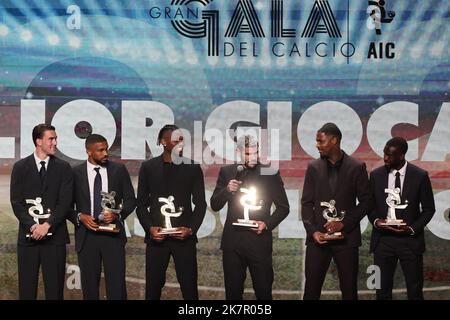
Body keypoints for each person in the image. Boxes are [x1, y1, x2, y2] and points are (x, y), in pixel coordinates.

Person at [210, 135, 290, 300]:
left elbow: (284, 208)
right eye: (248, 153)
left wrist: (266, 224)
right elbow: (215, 205)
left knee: (263, 294)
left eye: (256, 153)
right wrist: (227, 190)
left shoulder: (270, 173)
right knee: (233, 295)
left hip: (259, 243)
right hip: (233, 243)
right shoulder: (227, 172)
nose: (253, 157)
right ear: (238, 151)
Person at [301, 123, 371, 300]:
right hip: (318, 240)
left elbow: (366, 202)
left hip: (347, 240)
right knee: (311, 291)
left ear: (334, 140)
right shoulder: (313, 167)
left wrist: (344, 224)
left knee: (349, 291)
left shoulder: (357, 166)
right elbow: (307, 203)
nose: (317, 145)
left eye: (321, 141)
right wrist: (314, 231)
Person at [136, 124, 206, 300]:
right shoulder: (148, 167)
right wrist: (150, 229)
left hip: (184, 240)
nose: (181, 143)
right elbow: (141, 205)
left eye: (182, 139)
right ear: (163, 142)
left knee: (189, 287)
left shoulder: (192, 167)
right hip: (157, 239)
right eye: (176, 140)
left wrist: (190, 230)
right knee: (153, 288)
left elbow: (201, 204)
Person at [69, 134, 136, 300]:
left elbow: (131, 200)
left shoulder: (119, 170)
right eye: (100, 150)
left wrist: (116, 214)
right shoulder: (75, 173)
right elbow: (66, 206)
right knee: (90, 288)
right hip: (87, 236)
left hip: (113, 235)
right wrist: (80, 216)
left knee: (117, 288)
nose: (106, 153)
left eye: (106, 149)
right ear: (89, 152)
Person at [10, 123, 73, 299]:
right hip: (28, 239)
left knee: (55, 291)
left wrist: (47, 225)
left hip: (55, 239)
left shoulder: (63, 168)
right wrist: (33, 227)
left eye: (55, 138)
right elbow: (16, 203)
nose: (55, 143)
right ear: (38, 141)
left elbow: (65, 203)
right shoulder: (20, 167)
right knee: (27, 290)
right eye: (51, 139)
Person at [368, 137, 435, 300]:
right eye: (384, 154)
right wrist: (377, 222)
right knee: (380, 289)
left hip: (410, 242)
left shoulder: (419, 175)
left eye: (389, 155)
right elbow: (369, 206)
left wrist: (411, 229)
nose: (385, 158)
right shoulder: (376, 175)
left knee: (414, 290)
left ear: (402, 155)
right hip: (382, 242)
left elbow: (429, 209)